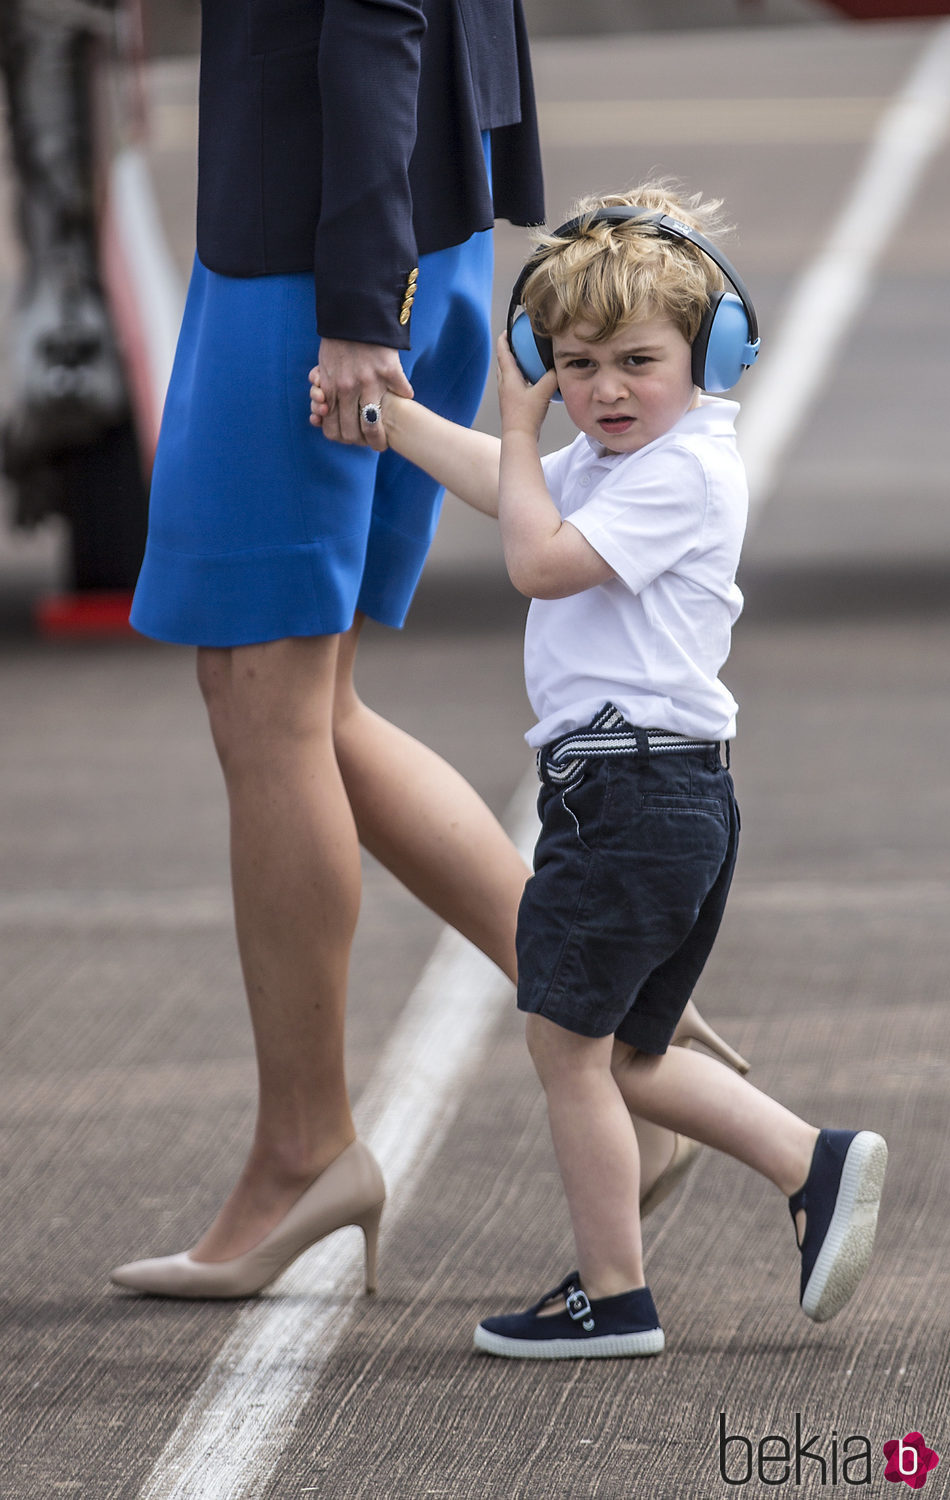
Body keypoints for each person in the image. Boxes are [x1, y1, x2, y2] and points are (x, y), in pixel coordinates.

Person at [107, 0, 707, 1302]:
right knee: (310, 710)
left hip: (318, 258)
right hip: (395, 223)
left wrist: (357, 301)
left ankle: (305, 1149)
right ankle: (650, 1045)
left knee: (265, 704)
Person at [310, 181, 889, 1358]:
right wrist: (388, 418)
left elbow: (535, 559)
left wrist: (527, 434)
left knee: (562, 1048)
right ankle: (808, 1162)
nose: (604, 391)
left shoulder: (681, 472)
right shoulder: (626, 457)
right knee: (626, 1053)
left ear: (709, 354)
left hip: (630, 798)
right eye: (573, 366)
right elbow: (498, 483)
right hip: (658, 796)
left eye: (635, 361)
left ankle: (612, 1295)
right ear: (544, 360)